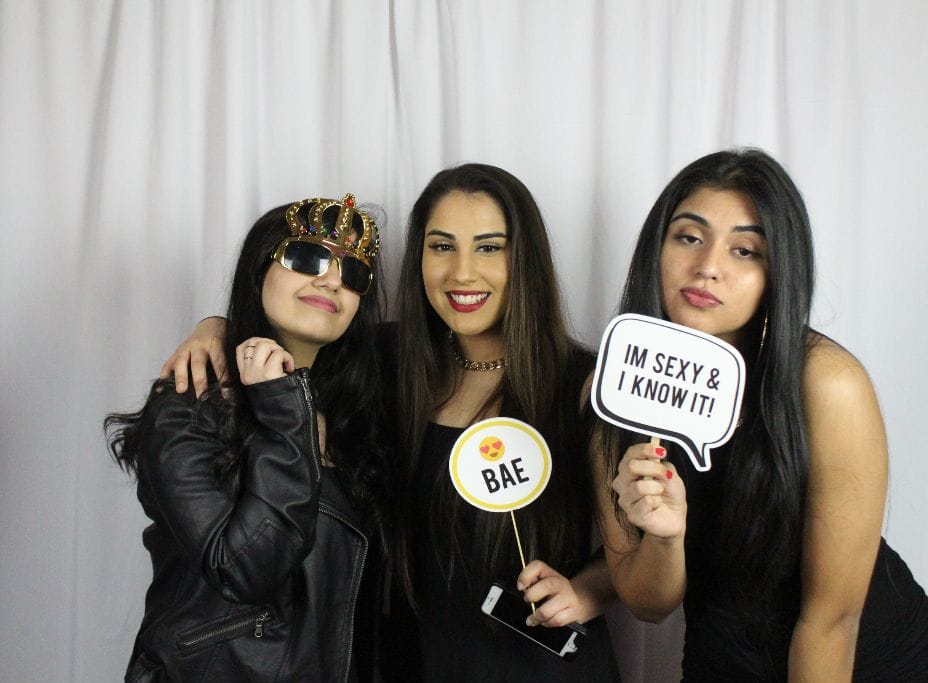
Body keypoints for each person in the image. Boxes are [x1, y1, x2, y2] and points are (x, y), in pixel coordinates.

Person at [164, 164, 621, 681]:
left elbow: (638, 548)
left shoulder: (586, 385)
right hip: (409, 663)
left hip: (541, 666)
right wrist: (216, 329)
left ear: (526, 260)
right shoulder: (386, 363)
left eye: (490, 247)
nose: (462, 273)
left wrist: (587, 591)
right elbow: (299, 332)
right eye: (442, 246)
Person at [594, 148, 928, 681]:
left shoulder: (826, 382)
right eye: (689, 237)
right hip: (720, 657)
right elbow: (649, 604)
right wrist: (664, 536)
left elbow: (832, 620)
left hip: (858, 660)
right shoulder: (616, 390)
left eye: (745, 250)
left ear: (777, 271)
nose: (708, 267)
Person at [105, 195, 387, 681]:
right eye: (307, 257)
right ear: (259, 270)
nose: (332, 280)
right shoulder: (190, 406)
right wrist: (282, 406)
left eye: (354, 273)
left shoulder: (359, 414)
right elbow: (244, 570)